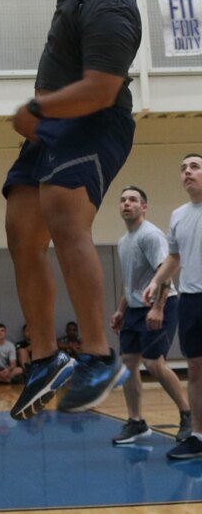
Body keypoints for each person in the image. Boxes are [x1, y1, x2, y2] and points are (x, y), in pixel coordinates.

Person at [0, 0, 142, 420]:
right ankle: (43, 359)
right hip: (53, 126)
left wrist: (37, 108)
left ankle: (100, 355)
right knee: (22, 234)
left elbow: (101, 90)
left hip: (91, 120)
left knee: (64, 218)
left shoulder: (111, 11)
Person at [111, 185, 190, 445]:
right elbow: (132, 283)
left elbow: (164, 273)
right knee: (128, 365)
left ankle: (187, 414)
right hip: (134, 311)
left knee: (154, 363)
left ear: (143, 207)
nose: (126, 204)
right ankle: (136, 422)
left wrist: (157, 307)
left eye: (133, 200)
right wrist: (121, 310)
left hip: (162, 305)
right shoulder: (124, 242)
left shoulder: (151, 235)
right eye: (123, 200)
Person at [144, 154, 202, 461]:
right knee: (195, 370)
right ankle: (198, 436)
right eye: (183, 168)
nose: (188, 172)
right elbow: (174, 258)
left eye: (194, 166)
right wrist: (156, 282)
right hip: (192, 301)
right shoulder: (179, 214)